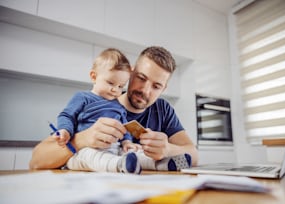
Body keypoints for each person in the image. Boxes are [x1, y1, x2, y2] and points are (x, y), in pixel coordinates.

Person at [29, 46, 199, 170]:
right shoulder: (100, 102)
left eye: (156, 86)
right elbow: (36, 161)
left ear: (164, 89)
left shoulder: (163, 110)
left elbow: (194, 156)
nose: (145, 90)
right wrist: (82, 139)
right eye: (141, 78)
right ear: (130, 73)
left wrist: (168, 149)